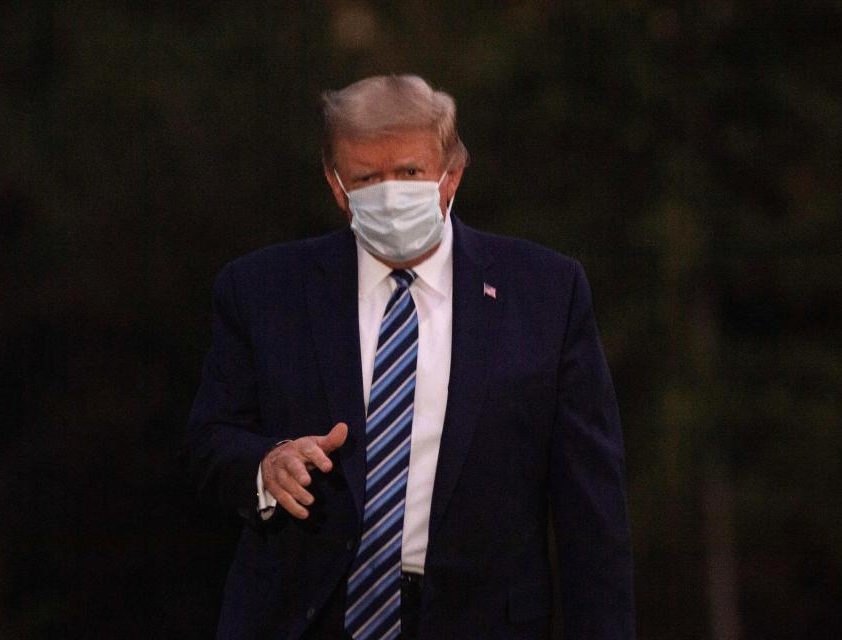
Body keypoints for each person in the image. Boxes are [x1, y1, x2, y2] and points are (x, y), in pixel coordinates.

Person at [186, 74, 634, 639]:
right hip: (304, 617)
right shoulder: (261, 291)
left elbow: (591, 508)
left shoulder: (545, 293)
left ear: (451, 177)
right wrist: (264, 463)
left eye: (409, 172)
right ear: (336, 186)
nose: (390, 192)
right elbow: (209, 439)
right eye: (368, 177)